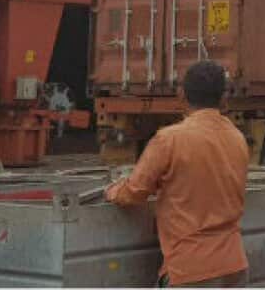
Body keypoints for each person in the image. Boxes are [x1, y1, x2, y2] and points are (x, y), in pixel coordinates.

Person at [105, 60, 250, 287]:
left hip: (190, 269)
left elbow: (134, 191)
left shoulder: (169, 140)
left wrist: (113, 191)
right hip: (234, 266)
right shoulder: (237, 138)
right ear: (223, 98)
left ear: (182, 95)